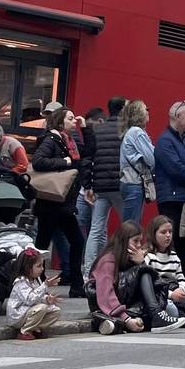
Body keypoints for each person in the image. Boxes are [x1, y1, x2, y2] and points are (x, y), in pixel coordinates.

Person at [30, 103, 86, 292]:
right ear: (60, 123)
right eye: (70, 118)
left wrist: (87, 129)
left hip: (62, 202)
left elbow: (88, 154)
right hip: (52, 203)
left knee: (50, 242)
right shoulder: (51, 140)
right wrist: (64, 161)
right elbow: (38, 162)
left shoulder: (69, 141)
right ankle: (40, 280)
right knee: (45, 243)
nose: (74, 121)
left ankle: (75, 285)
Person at [90, 220, 180, 333]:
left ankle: (152, 317)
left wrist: (141, 262)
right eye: (135, 241)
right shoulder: (107, 261)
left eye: (140, 241)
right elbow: (106, 294)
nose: (138, 245)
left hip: (127, 304)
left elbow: (155, 284)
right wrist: (126, 319)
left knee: (176, 311)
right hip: (108, 307)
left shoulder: (130, 258)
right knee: (144, 271)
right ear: (123, 241)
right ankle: (152, 315)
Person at [81, 95, 130, 279]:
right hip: (120, 185)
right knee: (129, 226)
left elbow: (88, 159)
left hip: (100, 186)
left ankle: (88, 273)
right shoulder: (126, 130)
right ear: (124, 109)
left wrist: (88, 184)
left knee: (95, 230)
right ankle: (124, 267)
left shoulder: (97, 131)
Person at [152, 101, 185, 273]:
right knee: (169, 244)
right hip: (171, 200)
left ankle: (183, 284)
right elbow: (175, 168)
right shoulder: (164, 141)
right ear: (178, 116)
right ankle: (169, 284)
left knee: (183, 246)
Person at [142, 214, 185, 326]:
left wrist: (182, 290)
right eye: (163, 232)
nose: (168, 235)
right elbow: (152, 286)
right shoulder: (149, 257)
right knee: (171, 308)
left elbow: (181, 278)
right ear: (153, 234)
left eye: (170, 232)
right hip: (162, 297)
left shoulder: (174, 256)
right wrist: (171, 294)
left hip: (177, 294)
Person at [2, 247, 62, 339]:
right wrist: (45, 286)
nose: (42, 269)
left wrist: (46, 299)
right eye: (39, 266)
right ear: (28, 268)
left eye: (42, 266)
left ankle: (36, 329)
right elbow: (30, 300)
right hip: (18, 316)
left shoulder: (35, 280)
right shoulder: (21, 282)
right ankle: (25, 331)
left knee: (55, 311)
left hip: (29, 312)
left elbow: (37, 297)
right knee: (42, 308)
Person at [116, 99, 154, 224]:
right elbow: (152, 158)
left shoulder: (131, 132)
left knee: (130, 224)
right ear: (139, 113)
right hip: (134, 183)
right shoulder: (137, 133)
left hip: (129, 182)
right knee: (131, 226)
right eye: (145, 109)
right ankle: (125, 244)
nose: (148, 112)